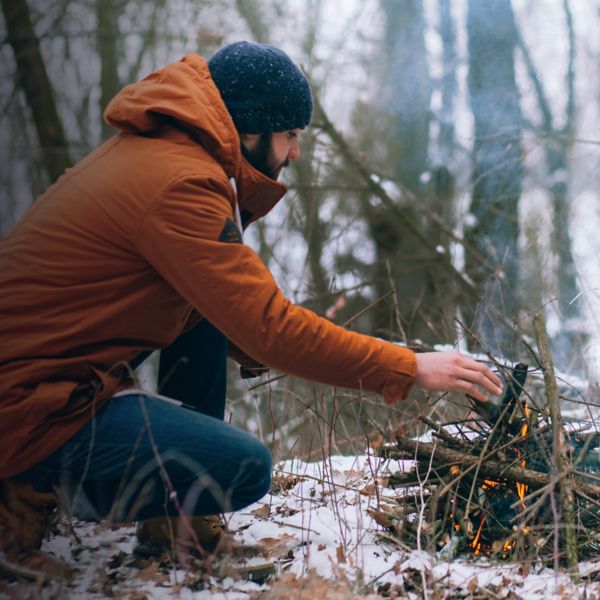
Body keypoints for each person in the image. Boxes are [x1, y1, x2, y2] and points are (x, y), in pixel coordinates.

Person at [0, 41, 502, 569]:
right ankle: (15, 502)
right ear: (250, 131)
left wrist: (259, 338)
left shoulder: (162, 155)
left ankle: (178, 528)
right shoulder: (181, 184)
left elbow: (232, 310)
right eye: (290, 136)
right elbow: (271, 328)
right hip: (24, 402)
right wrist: (410, 366)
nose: (295, 153)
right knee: (240, 467)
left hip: (39, 379)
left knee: (208, 315)